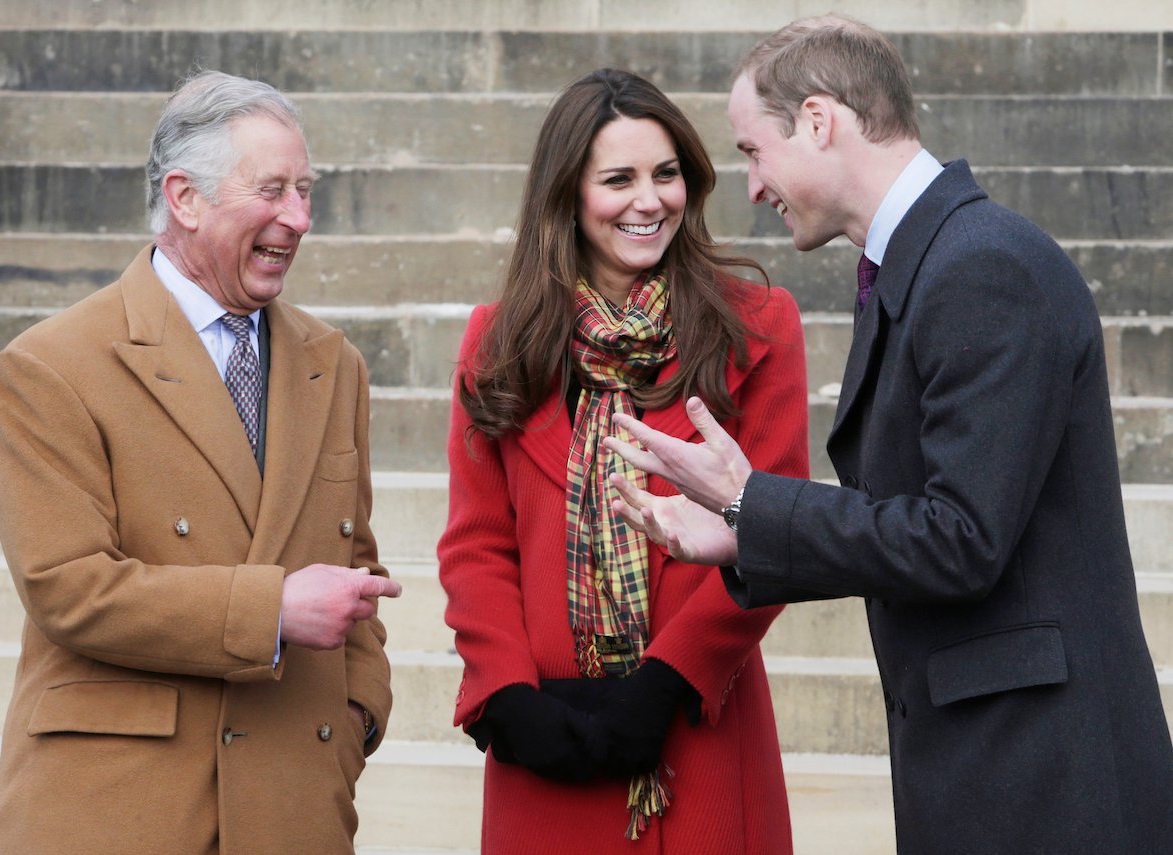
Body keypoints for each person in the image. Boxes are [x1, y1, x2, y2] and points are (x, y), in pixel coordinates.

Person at [604, 16, 1173, 854]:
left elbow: (960, 539)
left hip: (1045, 780)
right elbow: (922, 519)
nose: (752, 186)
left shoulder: (982, 266)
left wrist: (750, 498)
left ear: (820, 121)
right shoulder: (929, 260)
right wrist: (742, 530)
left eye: (754, 150)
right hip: (995, 762)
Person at [0, 70, 402, 854]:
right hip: (121, 810)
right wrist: (269, 610)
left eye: (305, 190)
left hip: (292, 806)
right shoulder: (48, 365)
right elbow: (68, 588)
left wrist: (356, 720)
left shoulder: (335, 364)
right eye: (273, 190)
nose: (299, 218)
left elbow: (356, 567)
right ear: (185, 198)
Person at [436, 68, 808, 853]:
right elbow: (476, 545)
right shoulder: (495, 343)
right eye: (619, 179)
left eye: (666, 173)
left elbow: (777, 530)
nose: (650, 200)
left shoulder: (760, 327)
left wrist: (666, 682)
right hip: (547, 748)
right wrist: (507, 697)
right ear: (568, 194)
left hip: (698, 730)